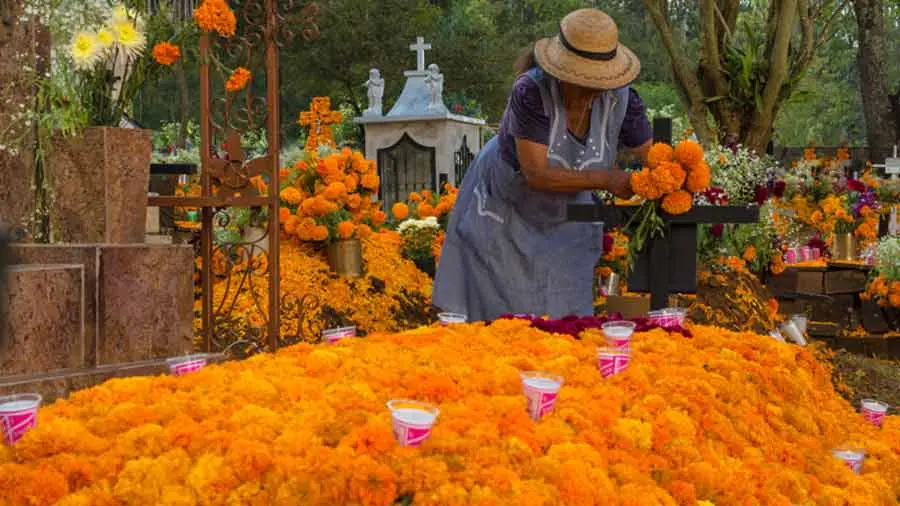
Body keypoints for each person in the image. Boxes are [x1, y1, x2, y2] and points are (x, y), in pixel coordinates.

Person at [433, 8, 653, 321]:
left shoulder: (623, 101)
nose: (591, 90)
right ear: (561, 72)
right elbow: (536, 173)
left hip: (567, 218)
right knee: (508, 318)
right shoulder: (531, 93)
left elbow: (653, 155)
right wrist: (607, 179)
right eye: (582, 80)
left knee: (568, 315)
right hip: (508, 210)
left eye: (599, 82)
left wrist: (672, 175)